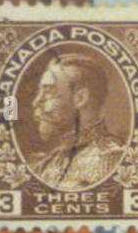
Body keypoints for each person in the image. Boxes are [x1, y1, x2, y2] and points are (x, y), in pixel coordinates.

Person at [29, 53, 126, 190]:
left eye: (49, 92)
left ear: (80, 98)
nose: (36, 102)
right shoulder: (45, 165)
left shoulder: (112, 159)